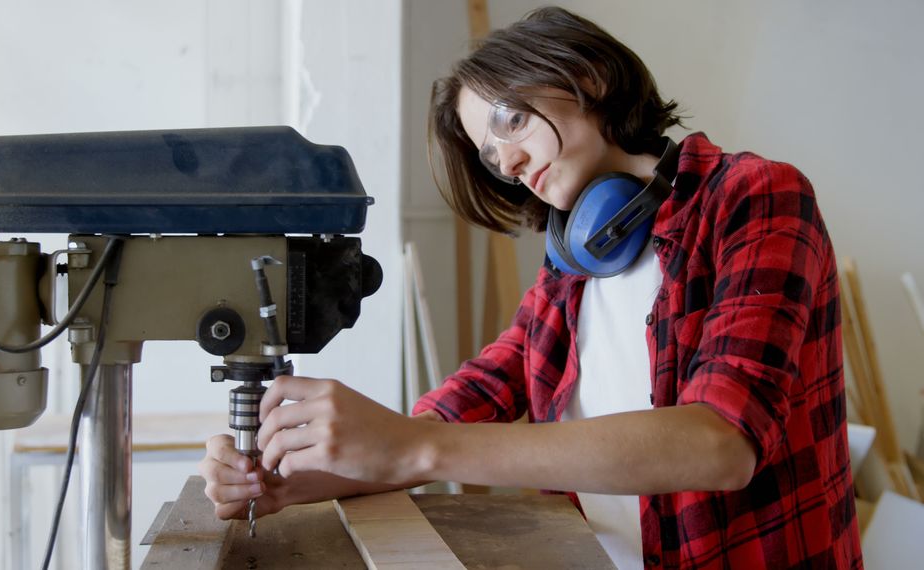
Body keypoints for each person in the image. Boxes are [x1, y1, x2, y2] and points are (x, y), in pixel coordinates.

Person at [199, 7, 861, 568]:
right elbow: (469, 402)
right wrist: (294, 479)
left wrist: (412, 446)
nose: (508, 162)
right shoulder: (572, 262)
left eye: (510, 121)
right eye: (490, 157)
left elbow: (719, 445)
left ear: (588, 77)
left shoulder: (756, 197)